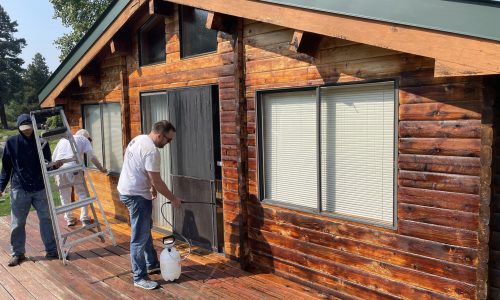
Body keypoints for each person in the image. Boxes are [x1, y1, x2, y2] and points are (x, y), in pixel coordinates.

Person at [117, 120, 181, 290]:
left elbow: (139, 167)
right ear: (160, 135)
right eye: (168, 140)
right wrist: (173, 198)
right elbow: (158, 181)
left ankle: (151, 263)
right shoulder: (152, 151)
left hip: (127, 191)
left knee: (144, 228)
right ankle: (139, 277)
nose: (168, 143)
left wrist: (150, 187)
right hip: (136, 196)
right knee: (138, 237)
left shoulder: (138, 139)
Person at [0, 114, 62, 266]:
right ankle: (18, 253)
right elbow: (6, 168)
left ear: (33, 127)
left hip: (40, 188)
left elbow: (47, 164)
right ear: (19, 128)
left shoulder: (42, 142)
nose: (27, 131)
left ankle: (51, 250)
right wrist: (0, 187)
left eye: (29, 129)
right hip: (19, 189)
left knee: (46, 219)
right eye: (24, 129)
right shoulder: (11, 142)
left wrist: (55, 165)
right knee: (17, 222)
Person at [52, 129, 107, 227]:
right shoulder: (83, 139)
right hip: (74, 167)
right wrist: (101, 169)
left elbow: (53, 158)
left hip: (59, 170)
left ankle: (69, 219)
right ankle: (85, 219)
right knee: (82, 193)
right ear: (86, 136)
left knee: (64, 194)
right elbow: (91, 157)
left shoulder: (63, 140)